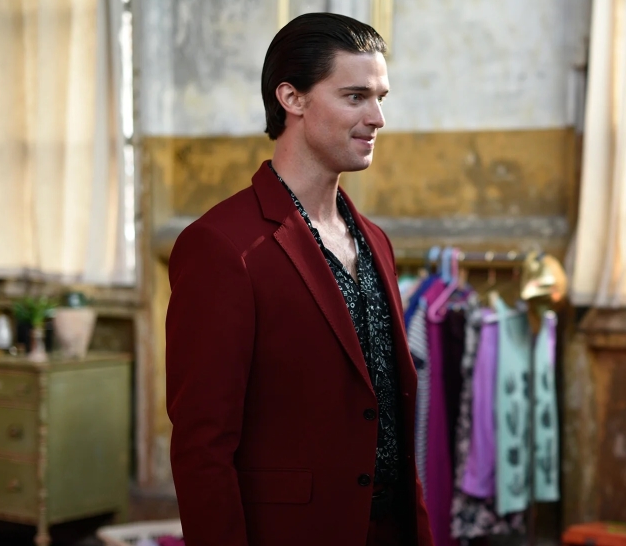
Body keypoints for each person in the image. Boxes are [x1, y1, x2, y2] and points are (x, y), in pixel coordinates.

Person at [166, 13, 433, 546]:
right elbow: (203, 447)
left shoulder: (376, 241)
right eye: (355, 96)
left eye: (381, 97)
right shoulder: (222, 246)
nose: (377, 117)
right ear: (292, 98)